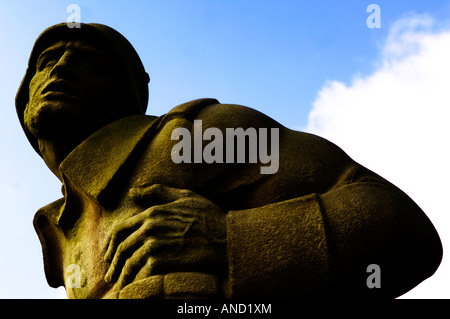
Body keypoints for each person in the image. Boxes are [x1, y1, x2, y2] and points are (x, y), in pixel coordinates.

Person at [16, 22, 442, 299]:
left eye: (88, 63)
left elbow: (401, 226)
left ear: (125, 93)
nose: (62, 69)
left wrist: (226, 239)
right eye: (46, 62)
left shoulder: (194, 136)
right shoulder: (62, 227)